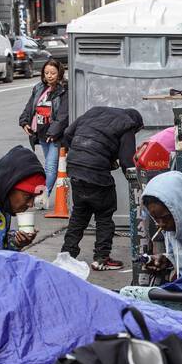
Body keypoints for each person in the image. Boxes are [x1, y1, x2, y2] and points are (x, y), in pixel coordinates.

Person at [59, 105, 142, 270]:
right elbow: (127, 161)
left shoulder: (95, 111)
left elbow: (67, 134)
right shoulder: (128, 124)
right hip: (96, 172)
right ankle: (101, 258)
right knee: (104, 216)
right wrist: (137, 186)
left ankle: (67, 254)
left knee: (79, 214)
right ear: (137, 124)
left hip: (75, 168)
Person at [19, 59, 69, 209]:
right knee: (48, 164)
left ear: (59, 73)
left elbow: (63, 115)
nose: (49, 76)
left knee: (51, 166)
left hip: (54, 135)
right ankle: (44, 195)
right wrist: (24, 122)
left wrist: (53, 132)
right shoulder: (39, 88)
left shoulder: (64, 90)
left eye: (53, 73)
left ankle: (42, 196)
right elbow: (29, 108)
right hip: (41, 134)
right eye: (46, 73)